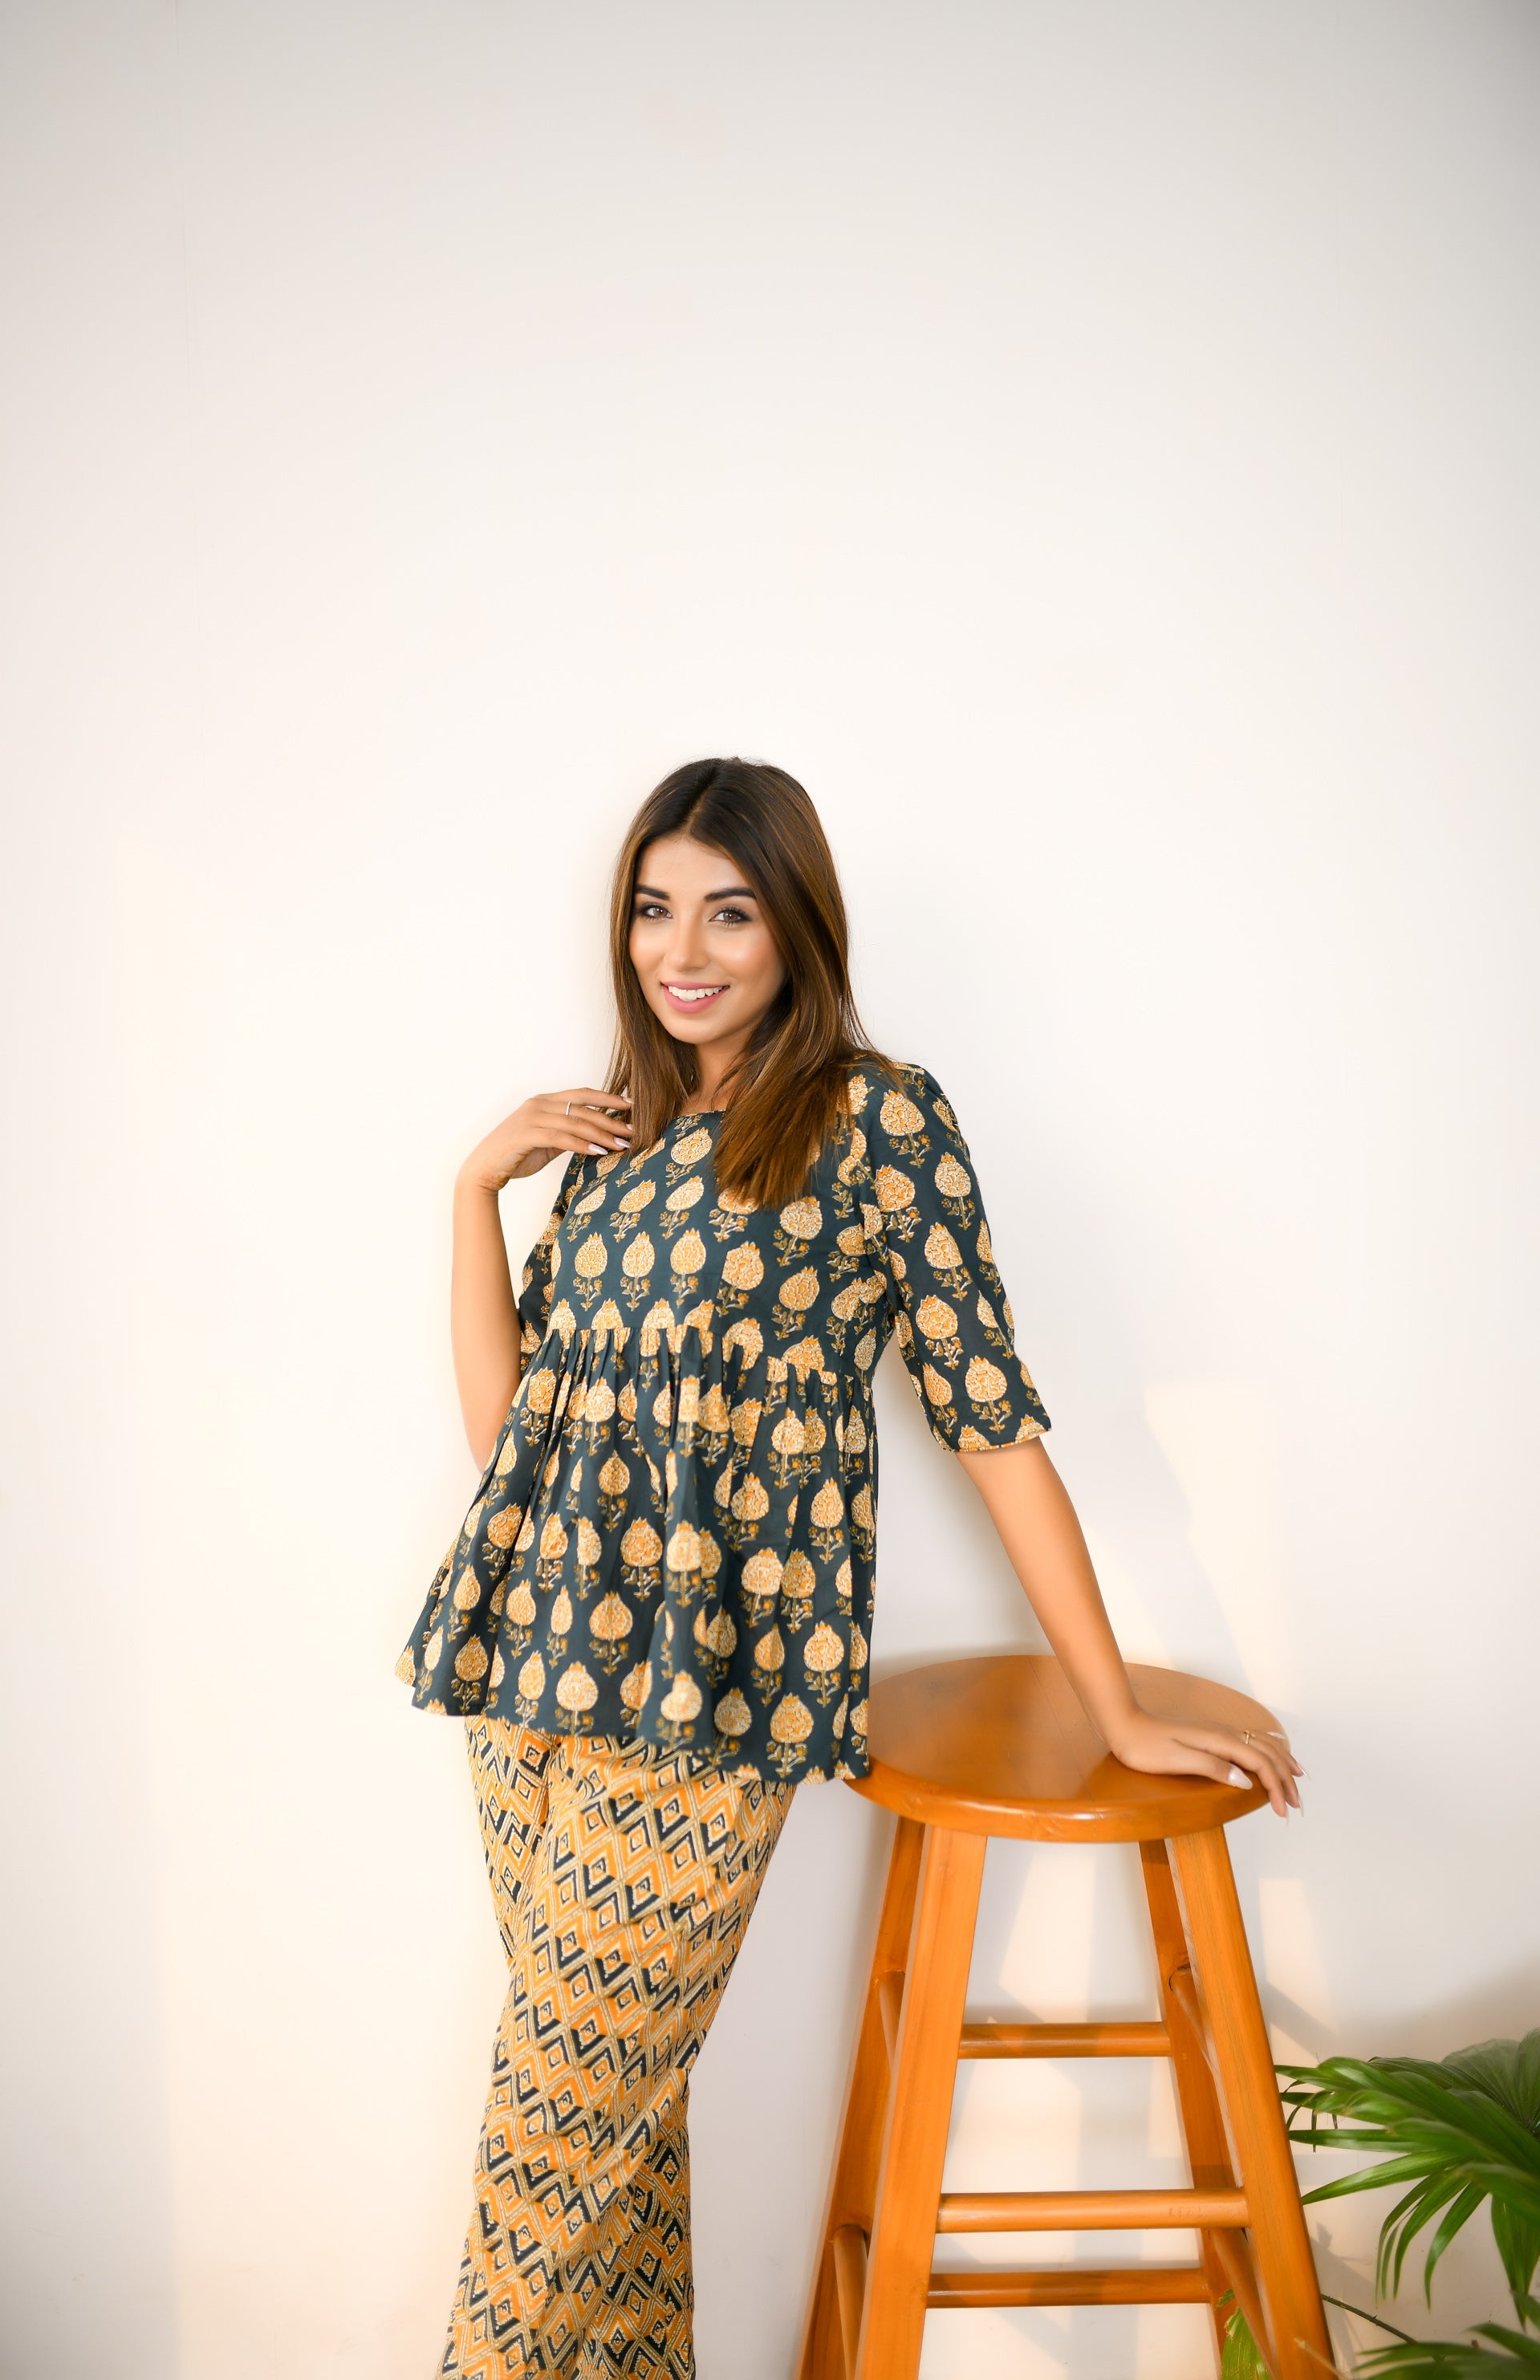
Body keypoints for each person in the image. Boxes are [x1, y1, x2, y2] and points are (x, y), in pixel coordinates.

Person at [396, 756, 1302, 2378]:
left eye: (728, 912)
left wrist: (1115, 1703)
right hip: (528, 1670)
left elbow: (991, 1422)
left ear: (797, 924)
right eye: (654, 909)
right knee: (605, 2143)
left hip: (704, 1706)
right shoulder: (611, 1140)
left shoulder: (877, 1119)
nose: (683, 950)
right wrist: (474, 1190)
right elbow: (508, 1434)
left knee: (551, 2159)